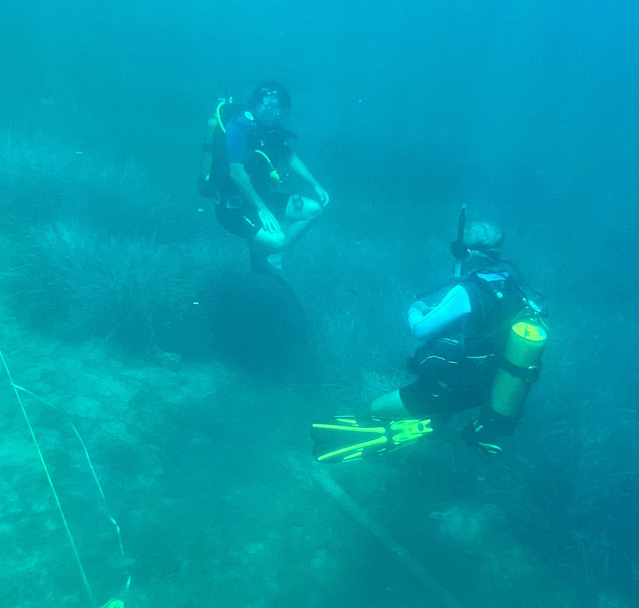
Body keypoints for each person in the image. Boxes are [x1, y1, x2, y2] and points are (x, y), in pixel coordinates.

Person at [311, 220, 547, 461]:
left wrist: (414, 308)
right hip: (485, 389)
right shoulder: (510, 286)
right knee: (438, 405)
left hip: (451, 387)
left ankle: (422, 429)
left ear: (465, 253)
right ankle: (437, 420)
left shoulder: (467, 291)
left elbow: (420, 330)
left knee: (377, 409)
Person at [208, 81, 329, 274]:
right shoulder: (239, 126)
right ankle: (262, 250)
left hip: (259, 197)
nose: (270, 111)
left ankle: (274, 258)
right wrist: (263, 210)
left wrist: (315, 185)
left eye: (276, 108)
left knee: (313, 210)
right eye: (267, 105)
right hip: (233, 207)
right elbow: (237, 174)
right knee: (277, 240)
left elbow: (290, 157)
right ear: (257, 103)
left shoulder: (271, 129)